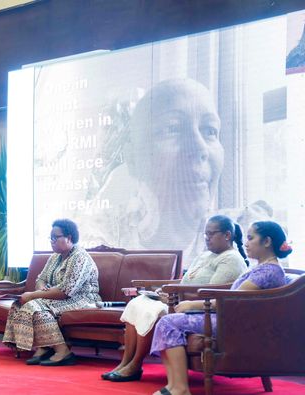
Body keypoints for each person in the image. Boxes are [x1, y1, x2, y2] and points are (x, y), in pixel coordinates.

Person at [89, 78, 224, 264]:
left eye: (210, 131)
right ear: (133, 158)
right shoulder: (98, 232)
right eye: (173, 128)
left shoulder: (245, 229)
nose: (200, 148)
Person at [150, 221, 290, 395]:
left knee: (169, 323)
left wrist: (191, 304)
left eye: (250, 238)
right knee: (167, 321)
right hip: (231, 318)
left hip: (238, 325)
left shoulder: (268, 271)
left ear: (267, 241)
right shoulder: (262, 268)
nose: (245, 243)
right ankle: (173, 386)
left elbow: (232, 300)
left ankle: (180, 388)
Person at [102, 215, 248, 382]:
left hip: (197, 309)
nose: (207, 239)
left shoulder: (231, 259)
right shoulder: (206, 255)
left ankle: (136, 364)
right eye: (205, 234)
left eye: (211, 234)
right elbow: (186, 282)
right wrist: (165, 294)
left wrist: (174, 299)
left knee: (153, 310)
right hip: (180, 301)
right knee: (138, 303)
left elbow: (212, 293)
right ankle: (125, 362)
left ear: (227, 235)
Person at [2, 218, 100, 366]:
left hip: (84, 299)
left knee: (34, 306)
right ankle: (44, 347)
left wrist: (34, 295)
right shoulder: (55, 257)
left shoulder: (80, 257)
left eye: (55, 237)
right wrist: (41, 289)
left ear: (69, 238)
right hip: (61, 298)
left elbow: (66, 291)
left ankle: (63, 351)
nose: (52, 241)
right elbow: (41, 278)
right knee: (20, 304)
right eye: (51, 238)